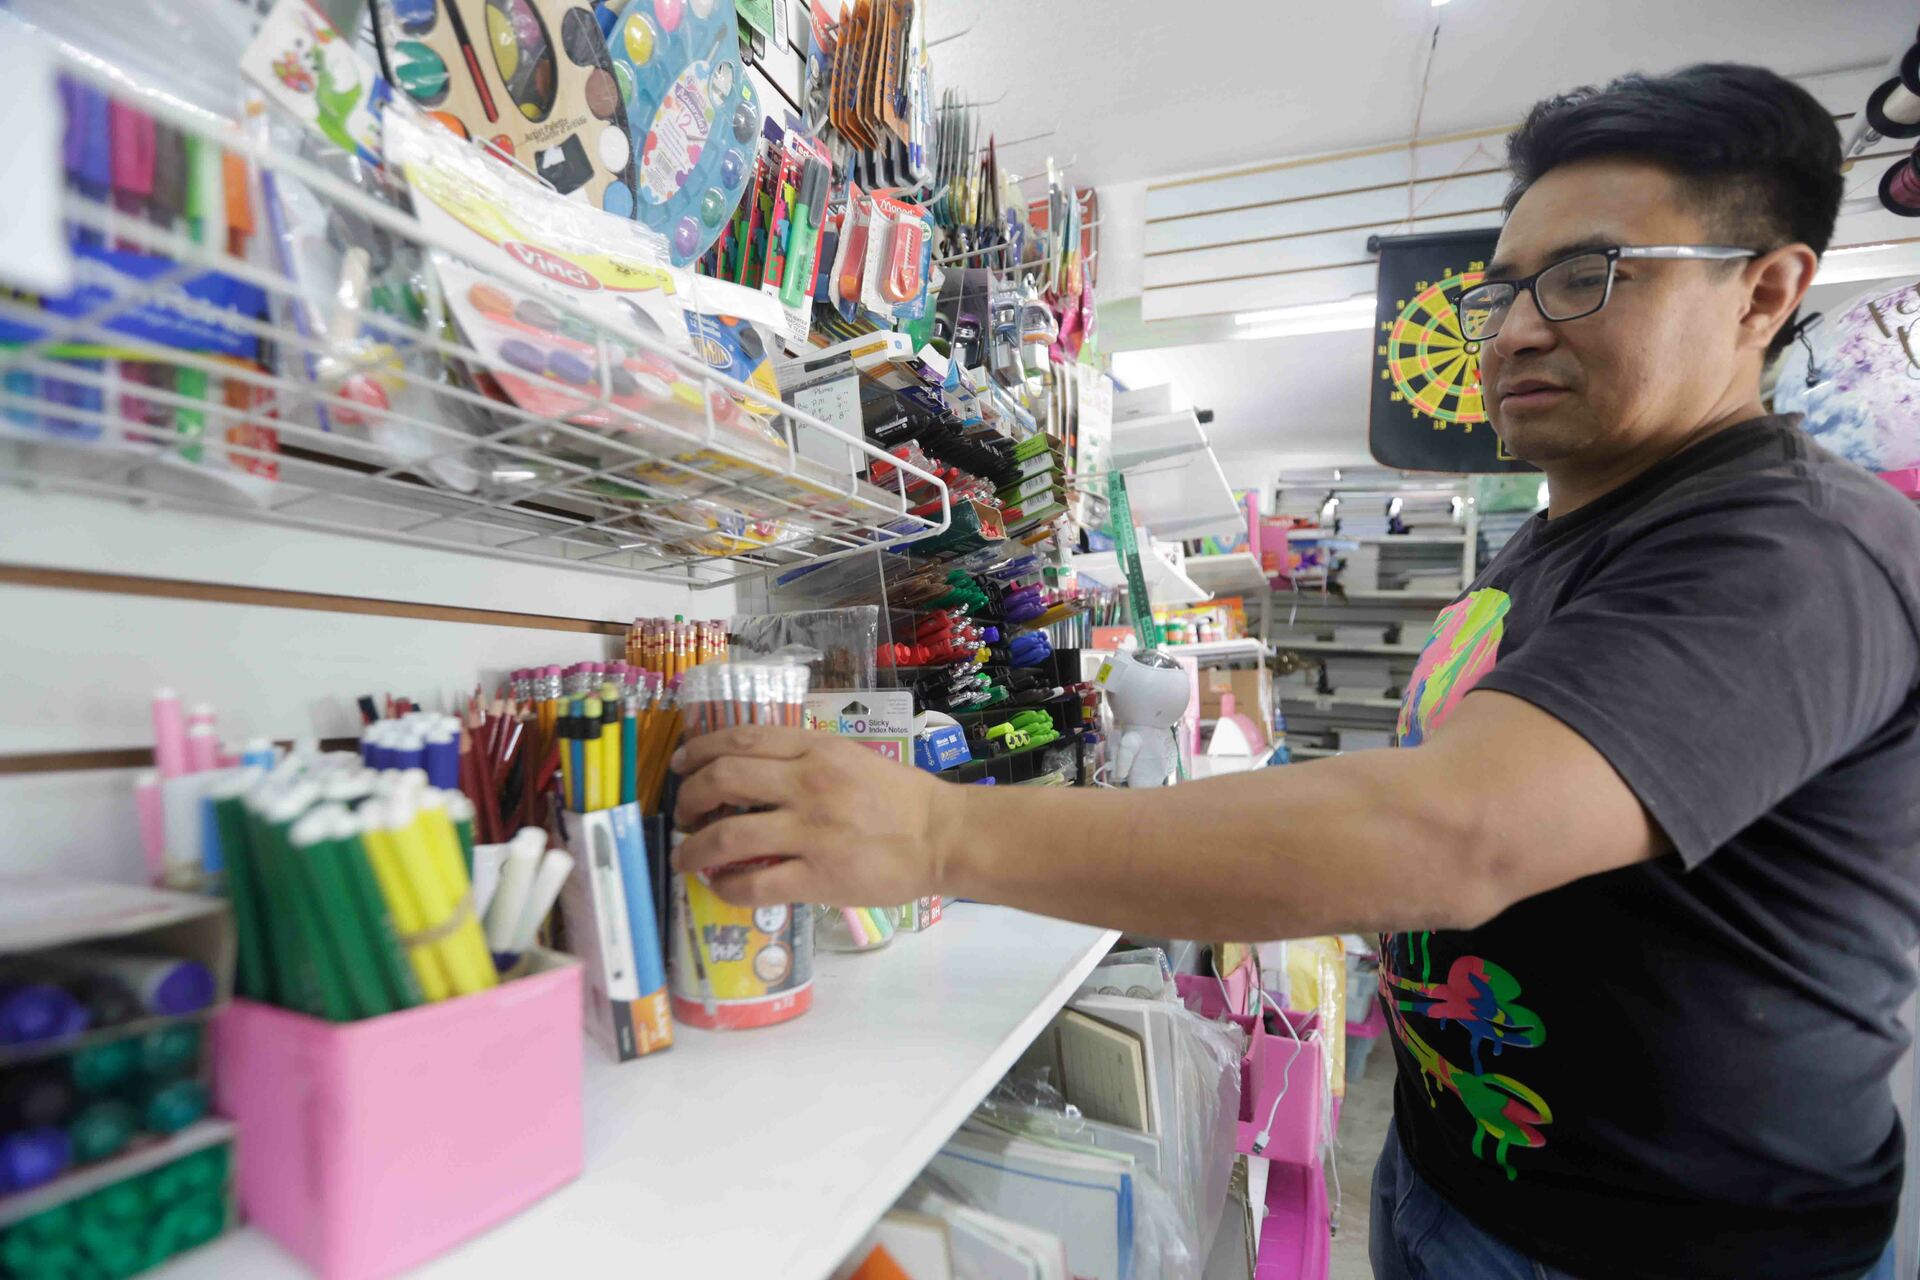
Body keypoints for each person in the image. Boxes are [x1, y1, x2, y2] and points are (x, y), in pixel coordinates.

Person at [672, 63, 1920, 1280]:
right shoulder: (1578, 531)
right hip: (1461, 1181)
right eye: (1503, 291)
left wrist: (934, 831)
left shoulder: (1790, 552)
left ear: (1763, 292)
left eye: (1589, 277)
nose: (1520, 328)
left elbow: (1451, 832)